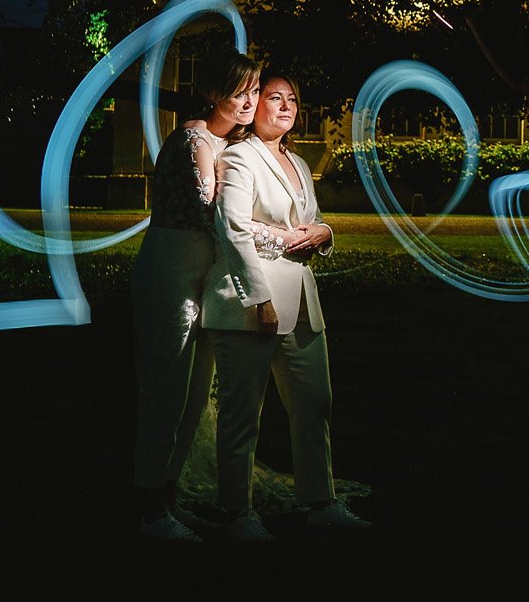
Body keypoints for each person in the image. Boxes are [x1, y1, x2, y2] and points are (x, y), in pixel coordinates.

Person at [202, 71, 369, 541]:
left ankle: (321, 503)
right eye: (273, 98)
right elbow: (232, 227)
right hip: (249, 303)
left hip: (303, 303)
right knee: (242, 414)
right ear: (253, 107)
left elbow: (308, 221)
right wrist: (258, 298)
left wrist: (326, 233)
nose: (285, 106)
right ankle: (238, 514)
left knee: (315, 404)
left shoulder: (296, 161)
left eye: (292, 99)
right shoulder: (239, 157)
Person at [130, 47, 262, 542]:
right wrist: (286, 239)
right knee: (165, 389)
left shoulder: (228, 144)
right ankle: (148, 510)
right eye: (241, 90)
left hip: (203, 277)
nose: (250, 100)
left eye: (254, 90)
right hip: (171, 271)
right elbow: (219, 219)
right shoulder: (193, 141)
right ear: (214, 91)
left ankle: (168, 498)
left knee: (194, 397)